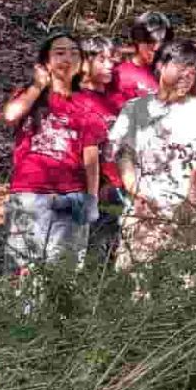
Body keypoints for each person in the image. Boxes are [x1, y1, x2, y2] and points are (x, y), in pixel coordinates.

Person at [107, 38, 196, 267]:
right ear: (161, 66)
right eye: (181, 67)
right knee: (135, 281)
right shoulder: (135, 108)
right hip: (142, 209)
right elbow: (123, 154)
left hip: (183, 211)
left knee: (182, 283)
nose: (187, 75)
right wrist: (136, 192)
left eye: (192, 71)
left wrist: (191, 203)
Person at [0, 31, 105, 269]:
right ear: (46, 61)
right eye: (59, 53)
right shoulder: (30, 96)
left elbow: (90, 157)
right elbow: (10, 116)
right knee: (23, 272)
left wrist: (92, 198)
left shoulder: (87, 103)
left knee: (62, 277)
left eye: (73, 53)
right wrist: (38, 86)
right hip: (29, 194)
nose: (66, 58)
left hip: (71, 197)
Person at [70, 35, 125, 269]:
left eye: (111, 60)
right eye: (102, 60)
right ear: (85, 63)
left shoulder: (117, 101)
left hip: (118, 188)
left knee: (109, 253)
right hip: (86, 188)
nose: (109, 65)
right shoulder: (76, 99)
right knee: (83, 253)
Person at [112, 10, 173, 105]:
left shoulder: (166, 70)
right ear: (137, 41)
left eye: (162, 42)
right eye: (150, 42)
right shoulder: (121, 76)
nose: (156, 48)